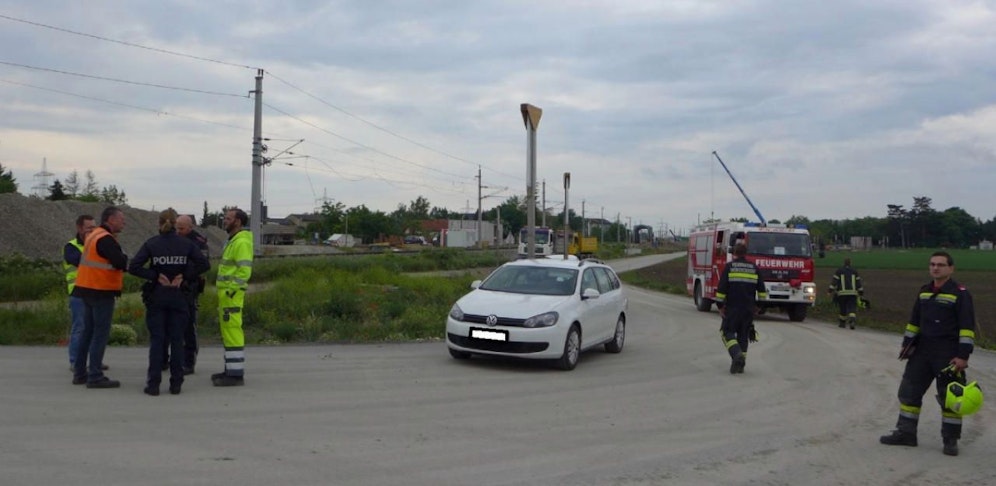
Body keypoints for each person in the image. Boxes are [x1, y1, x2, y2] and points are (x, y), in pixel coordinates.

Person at [880, 251, 977, 456]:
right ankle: (906, 433)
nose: (935, 268)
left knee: (950, 398)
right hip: (922, 352)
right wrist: (907, 345)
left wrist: (963, 356)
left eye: (941, 265)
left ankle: (950, 440)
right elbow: (914, 322)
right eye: (932, 264)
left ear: (951, 268)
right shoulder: (924, 292)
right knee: (909, 393)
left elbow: (967, 329)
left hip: (948, 354)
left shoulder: (960, 293)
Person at [129, 209, 209, 396]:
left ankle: (153, 384)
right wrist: (184, 276)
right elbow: (204, 264)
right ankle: (176, 384)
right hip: (179, 297)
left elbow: (134, 267)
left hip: (157, 296)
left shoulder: (152, 243)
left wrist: (155, 276)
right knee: (177, 340)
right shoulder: (186, 244)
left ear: (159, 223)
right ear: (175, 225)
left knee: (157, 340)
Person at [71, 206, 127, 389]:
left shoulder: (93, 235)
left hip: (86, 289)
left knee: (87, 332)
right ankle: (95, 375)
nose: (124, 222)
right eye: (121, 219)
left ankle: (80, 373)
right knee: (99, 334)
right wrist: (125, 258)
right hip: (100, 290)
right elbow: (120, 262)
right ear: (111, 219)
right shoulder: (105, 238)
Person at [164, 214, 210, 375]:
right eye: (176, 228)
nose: (178, 231)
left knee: (188, 326)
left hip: (189, 287)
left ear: (190, 227)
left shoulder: (198, 242)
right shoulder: (172, 239)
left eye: (181, 228)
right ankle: (169, 358)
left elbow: (203, 265)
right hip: (171, 287)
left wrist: (184, 276)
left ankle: (188, 362)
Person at [213, 208, 253, 387]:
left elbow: (244, 271)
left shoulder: (241, 242)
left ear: (238, 221)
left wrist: (231, 290)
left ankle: (235, 375)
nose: (225, 220)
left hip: (231, 295)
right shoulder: (233, 240)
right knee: (228, 333)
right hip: (227, 295)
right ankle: (230, 370)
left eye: (228, 218)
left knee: (233, 332)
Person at [715, 243, 767, 374]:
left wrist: (720, 306)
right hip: (748, 309)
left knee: (726, 332)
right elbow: (762, 290)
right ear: (745, 253)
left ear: (734, 253)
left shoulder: (730, 267)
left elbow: (721, 289)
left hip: (732, 308)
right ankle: (740, 365)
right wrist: (759, 307)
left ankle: (736, 354)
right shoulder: (754, 268)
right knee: (743, 335)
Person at [64, 214, 98, 371]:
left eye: (94, 228)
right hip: (78, 292)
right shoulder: (71, 246)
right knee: (80, 327)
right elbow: (82, 262)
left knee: (94, 328)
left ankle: (94, 361)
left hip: (95, 291)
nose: (92, 231)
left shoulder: (96, 244)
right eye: (88, 228)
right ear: (79, 228)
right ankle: (75, 361)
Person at [827, 257, 864, 329]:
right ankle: (852, 320)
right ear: (850, 263)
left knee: (843, 308)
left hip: (842, 294)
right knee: (852, 307)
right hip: (853, 294)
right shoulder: (854, 271)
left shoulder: (839, 271)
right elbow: (858, 283)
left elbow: (834, 282)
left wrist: (829, 291)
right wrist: (861, 293)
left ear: (844, 263)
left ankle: (842, 323)